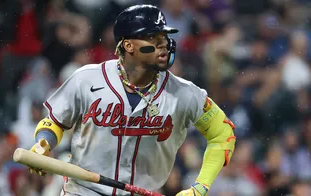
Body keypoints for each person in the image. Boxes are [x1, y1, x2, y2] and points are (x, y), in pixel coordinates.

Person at [28, 5, 236, 196]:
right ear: (128, 45)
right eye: (153, 38)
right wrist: (44, 143)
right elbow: (55, 122)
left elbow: (223, 134)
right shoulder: (86, 79)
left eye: (164, 36)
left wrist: (200, 187)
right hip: (83, 191)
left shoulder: (185, 93)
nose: (163, 44)